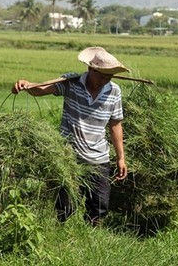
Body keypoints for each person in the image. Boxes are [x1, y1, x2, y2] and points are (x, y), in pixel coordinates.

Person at [11, 46, 128, 226]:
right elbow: (41, 90)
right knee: (66, 206)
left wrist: (121, 158)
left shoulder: (114, 91)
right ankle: (63, 233)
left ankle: (91, 236)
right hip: (68, 156)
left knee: (99, 205)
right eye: (101, 75)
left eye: (109, 77)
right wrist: (26, 85)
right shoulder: (71, 83)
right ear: (90, 69)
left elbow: (115, 124)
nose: (104, 80)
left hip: (98, 157)